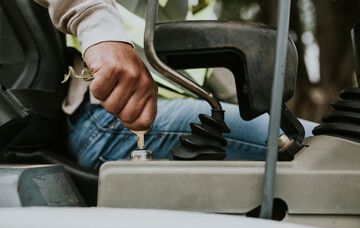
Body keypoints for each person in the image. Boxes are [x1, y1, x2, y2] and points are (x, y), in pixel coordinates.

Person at [35, 0, 318, 170]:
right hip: (113, 118)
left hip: (173, 108)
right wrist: (101, 33)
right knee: (323, 149)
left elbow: (208, 55)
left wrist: (254, 94)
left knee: (331, 143)